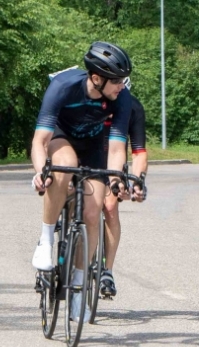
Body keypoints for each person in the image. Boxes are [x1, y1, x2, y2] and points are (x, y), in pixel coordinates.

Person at [30, 41, 133, 273]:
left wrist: (116, 181)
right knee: (65, 164)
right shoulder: (62, 86)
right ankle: (45, 240)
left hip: (93, 146)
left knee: (92, 211)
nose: (121, 86)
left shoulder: (122, 98)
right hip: (61, 136)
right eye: (116, 80)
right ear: (97, 78)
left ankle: (79, 284)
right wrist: (40, 172)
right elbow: (40, 140)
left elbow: (116, 149)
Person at [97, 80, 150, 299]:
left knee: (110, 207)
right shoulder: (91, 102)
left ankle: (107, 271)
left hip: (113, 164)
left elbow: (139, 152)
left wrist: (137, 180)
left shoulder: (133, 107)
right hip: (84, 156)